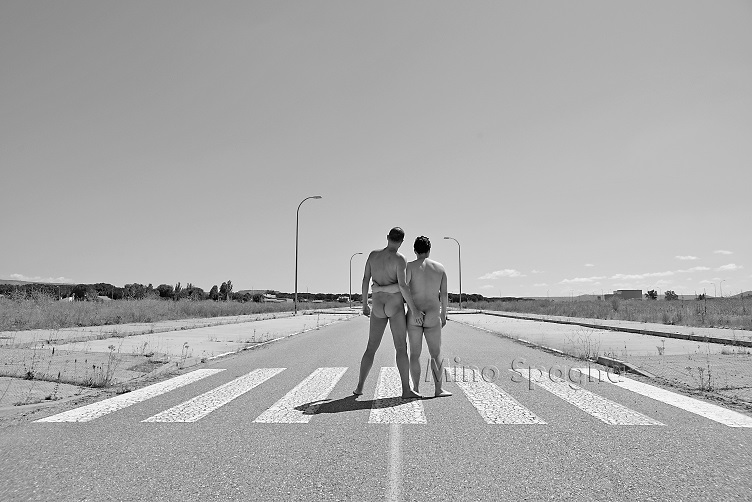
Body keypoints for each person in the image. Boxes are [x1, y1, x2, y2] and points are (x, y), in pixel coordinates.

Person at [354, 227, 424, 399]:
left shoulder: (373, 255)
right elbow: (403, 286)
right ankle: (406, 390)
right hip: (394, 306)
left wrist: (364, 304)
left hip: (377, 306)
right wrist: (414, 309)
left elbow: (365, 279)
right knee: (401, 348)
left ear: (387, 237)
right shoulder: (400, 259)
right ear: (402, 241)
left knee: (371, 347)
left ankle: (360, 387)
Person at [406, 236, 452, 397]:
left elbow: (404, 291)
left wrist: (412, 310)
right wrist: (443, 314)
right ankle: (438, 389)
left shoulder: (409, 267)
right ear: (429, 250)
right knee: (436, 354)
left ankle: (416, 389)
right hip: (433, 314)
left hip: (415, 314)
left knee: (415, 354)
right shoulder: (440, 268)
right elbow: (444, 294)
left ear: (414, 250)